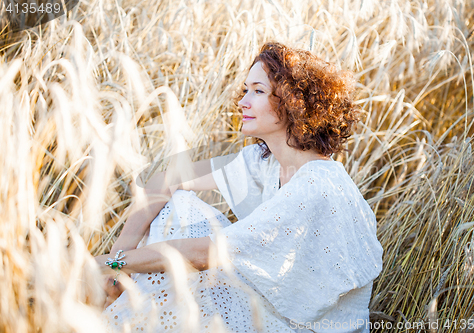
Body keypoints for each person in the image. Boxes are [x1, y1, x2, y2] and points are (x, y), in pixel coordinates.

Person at [95, 41, 384, 333]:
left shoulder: (316, 184)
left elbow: (204, 254)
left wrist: (108, 263)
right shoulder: (265, 161)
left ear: (294, 103)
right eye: (246, 90)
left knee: (186, 273)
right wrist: (117, 264)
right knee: (178, 208)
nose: (243, 101)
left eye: (258, 91)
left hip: (301, 327)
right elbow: (167, 179)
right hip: (269, 307)